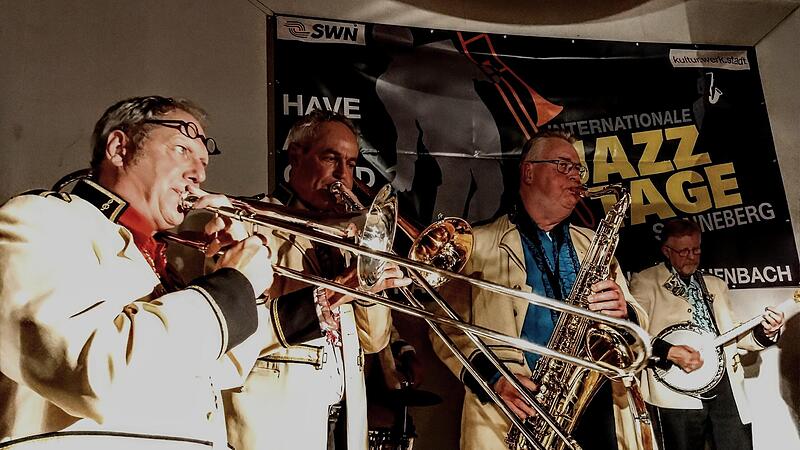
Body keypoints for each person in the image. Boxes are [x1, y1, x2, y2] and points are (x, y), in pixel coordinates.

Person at [0, 96, 275, 449]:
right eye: (182, 150)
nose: (200, 173)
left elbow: (222, 371)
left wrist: (239, 284)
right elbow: (92, 373)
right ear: (119, 149)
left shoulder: (165, 266)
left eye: (204, 161)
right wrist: (229, 289)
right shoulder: (37, 219)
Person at [431, 130, 648, 450]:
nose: (575, 176)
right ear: (528, 171)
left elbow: (636, 323)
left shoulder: (592, 242)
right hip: (514, 413)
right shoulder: (477, 243)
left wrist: (625, 312)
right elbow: (443, 324)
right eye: (563, 166)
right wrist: (492, 378)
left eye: (578, 169)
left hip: (595, 408)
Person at [223, 109, 410, 450]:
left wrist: (368, 283)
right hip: (273, 419)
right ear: (296, 156)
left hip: (344, 416)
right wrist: (341, 288)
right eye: (331, 158)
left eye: (351, 164)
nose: (343, 174)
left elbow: (374, 342)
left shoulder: (346, 237)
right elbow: (235, 332)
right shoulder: (253, 221)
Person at [629, 219, 784, 450]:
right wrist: (669, 352)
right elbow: (631, 334)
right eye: (683, 251)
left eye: (696, 249)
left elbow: (734, 334)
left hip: (725, 385)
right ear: (666, 251)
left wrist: (765, 332)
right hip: (676, 389)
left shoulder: (715, 284)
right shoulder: (645, 281)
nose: (691, 256)